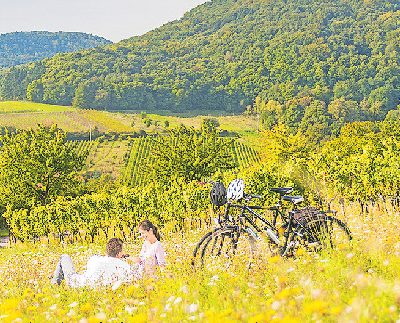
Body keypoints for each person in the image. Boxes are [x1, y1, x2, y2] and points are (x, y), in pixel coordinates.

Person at [51, 238, 131, 288]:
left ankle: (54, 286)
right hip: (100, 288)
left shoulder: (94, 259)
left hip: (77, 284)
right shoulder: (125, 265)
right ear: (119, 253)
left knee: (64, 257)